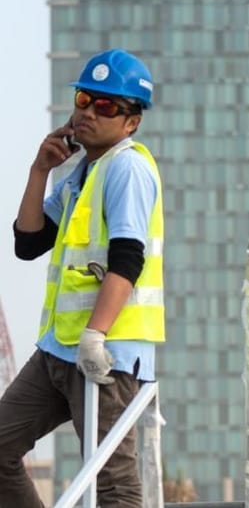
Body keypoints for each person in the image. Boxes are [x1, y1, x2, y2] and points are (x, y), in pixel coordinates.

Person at [0, 49, 163, 507]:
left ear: (131, 122)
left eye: (108, 106)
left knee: (112, 480)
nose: (90, 112)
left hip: (104, 351)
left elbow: (129, 259)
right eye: (85, 99)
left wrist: (96, 334)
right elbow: (28, 242)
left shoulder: (127, 167)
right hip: (59, 348)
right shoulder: (79, 176)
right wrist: (40, 169)